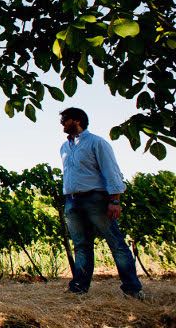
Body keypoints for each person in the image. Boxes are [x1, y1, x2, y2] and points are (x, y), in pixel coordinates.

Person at [59, 107, 145, 299]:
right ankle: (79, 287)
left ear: (77, 120)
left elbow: (111, 171)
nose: (62, 123)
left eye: (65, 119)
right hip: (72, 201)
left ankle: (132, 288)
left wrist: (114, 200)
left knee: (115, 242)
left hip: (95, 199)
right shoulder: (65, 148)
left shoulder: (97, 143)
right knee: (81, 245)